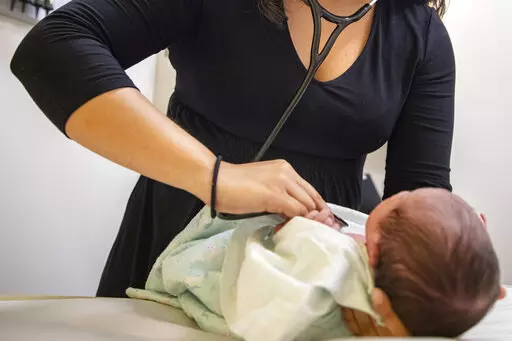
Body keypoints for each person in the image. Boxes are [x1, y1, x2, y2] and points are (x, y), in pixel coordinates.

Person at [10, 0, 454, 321]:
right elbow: (54, 47)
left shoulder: (422, 34)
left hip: (315, 290)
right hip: (177, 243)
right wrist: (214, 177)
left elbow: (420, 199)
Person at [128, 188, 506, 339]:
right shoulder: (403, 272)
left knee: (207, 265)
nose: (401, 193)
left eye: (402, 197)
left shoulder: (329, 263)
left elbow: (267, 310)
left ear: (373, 253)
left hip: (234, 279)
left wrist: (298, 233)